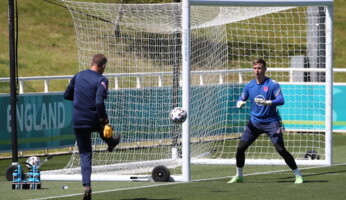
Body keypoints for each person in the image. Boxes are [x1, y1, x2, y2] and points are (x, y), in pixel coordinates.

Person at [228, 58, 303, 184]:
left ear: (265, 69)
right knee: (241, 148)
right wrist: (239, 102)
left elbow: (281, 100)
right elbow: (241, 98)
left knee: (280, 149)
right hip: (254, 123)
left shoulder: (272, 84)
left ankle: (298, 174)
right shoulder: (249, 85)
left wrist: (268, 102)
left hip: (271, 123)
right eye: (255, 68)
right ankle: (239, 176)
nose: (257, 71)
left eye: (260, 68)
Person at [64, 54, 121, 200]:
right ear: (103, 66)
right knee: (104, 126)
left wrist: (79, 99)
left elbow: (66, 95)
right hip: (92, 118)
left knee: (85, 154)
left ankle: (87, 185)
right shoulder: (101, 80)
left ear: (91, 63)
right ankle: (111, 142)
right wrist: (104, 119)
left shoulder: (78, 76)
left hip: (78, 120)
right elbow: (99, 103)